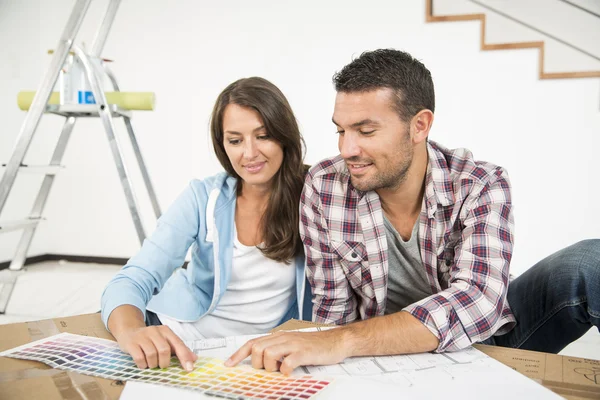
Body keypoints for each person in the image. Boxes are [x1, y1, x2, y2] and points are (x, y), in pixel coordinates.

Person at [226, 49, 600, 375]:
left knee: (589, 262)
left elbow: (478, 301)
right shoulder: (324, 186)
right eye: (341, 130)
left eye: (366, 130)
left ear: (419, 125)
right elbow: (333, 308)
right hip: (380, 357)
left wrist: (344, 341)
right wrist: (327, 354)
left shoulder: (481, 183)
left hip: (484, 343)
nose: (348, 148)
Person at [101, 77, 311, 372]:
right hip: (182, 342)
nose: (249, 153)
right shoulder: (202, 197)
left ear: (284, 135)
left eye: (262, 136)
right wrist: (132, 331)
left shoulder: (316, 195)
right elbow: (133, 278)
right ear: (222, 145)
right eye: (235, 140)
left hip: (256, 356)